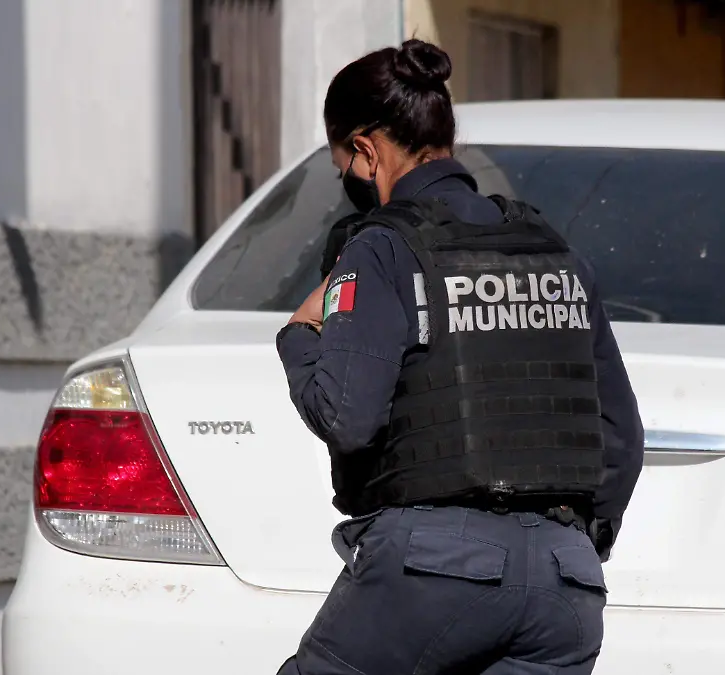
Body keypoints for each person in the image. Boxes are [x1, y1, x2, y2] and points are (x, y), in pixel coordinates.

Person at [274, 39, 644, 675]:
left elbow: (347, 416)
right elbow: (622, 435)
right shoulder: (553, 252)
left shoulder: (383, 249)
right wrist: (575, 545)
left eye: (344, 165)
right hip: (566, 588)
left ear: (365, 152)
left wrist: (300, 337)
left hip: (430, 571)